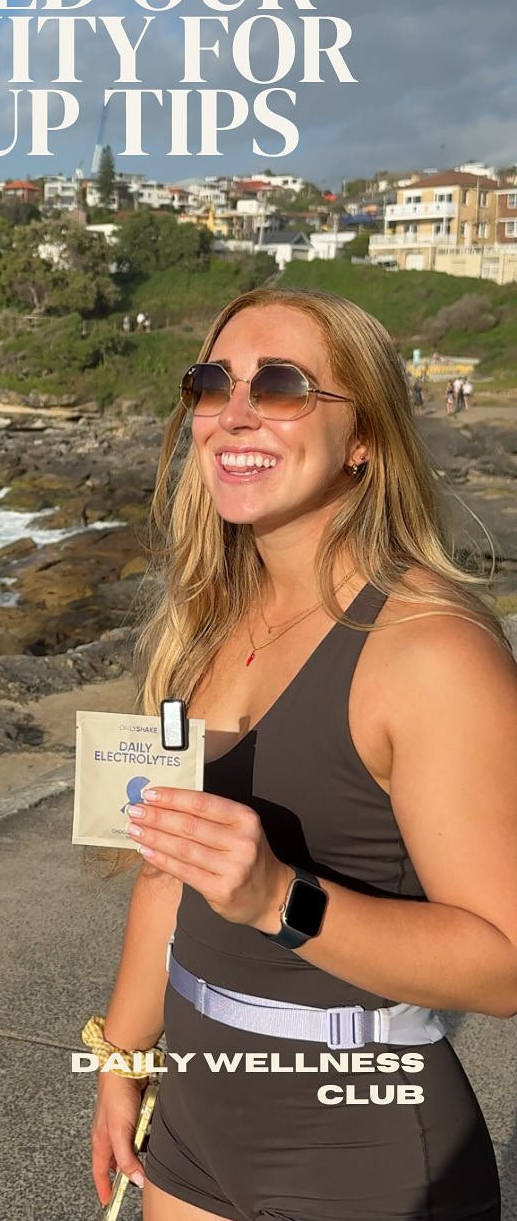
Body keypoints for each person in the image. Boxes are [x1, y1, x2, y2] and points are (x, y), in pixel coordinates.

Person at [90, 287, 515, 1221]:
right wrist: (122, 1055)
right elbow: (169, 876)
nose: (234, 412)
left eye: (282, 386)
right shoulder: (209, 623)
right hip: (196, 1124)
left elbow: (505, 962)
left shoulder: (430, 652)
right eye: (212, 384)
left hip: (356, 1150)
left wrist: (281, 899)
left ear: (363, 436)